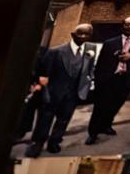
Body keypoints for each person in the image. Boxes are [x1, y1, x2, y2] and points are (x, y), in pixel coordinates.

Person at [26, 24, 95, 157]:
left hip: (73, 94)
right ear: (73, 35)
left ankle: (55, 142)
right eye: (80, 34)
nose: (83, 37)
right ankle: (38, 143)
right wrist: (42, 87)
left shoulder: (90, 51)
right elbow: (42, 72)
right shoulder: (55, 51)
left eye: (87, 34)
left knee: (64, 120)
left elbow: (89, 68)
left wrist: (89, 79)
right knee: (45, 119)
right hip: (53, 93)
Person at [87, 16, 130, 144]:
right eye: (127, 24)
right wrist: (98, 79)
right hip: (108, 79)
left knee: (115, 105)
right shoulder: (110, 42)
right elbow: (100, 63)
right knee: (100, 107)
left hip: (125, 79)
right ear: (123, 25)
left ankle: (106, 126)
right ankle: (93, 133)